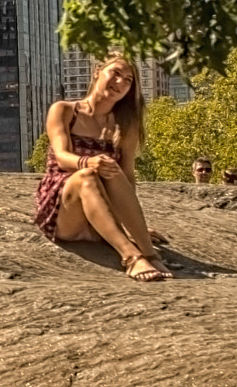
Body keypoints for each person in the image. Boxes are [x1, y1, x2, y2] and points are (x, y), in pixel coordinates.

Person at [33, 54, 169, 281]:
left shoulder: (125, 124)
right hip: (64, 210)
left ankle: (148, 253)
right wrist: (88, 162)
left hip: (101, 217)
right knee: (88, 175)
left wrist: (133, 226)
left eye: (128, 80)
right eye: (115, 73)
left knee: (112, 169)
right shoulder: (65, 110)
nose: (120, 83)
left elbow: (127, 176)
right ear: (98, 71)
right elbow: (62, 156)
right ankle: (131, 258)